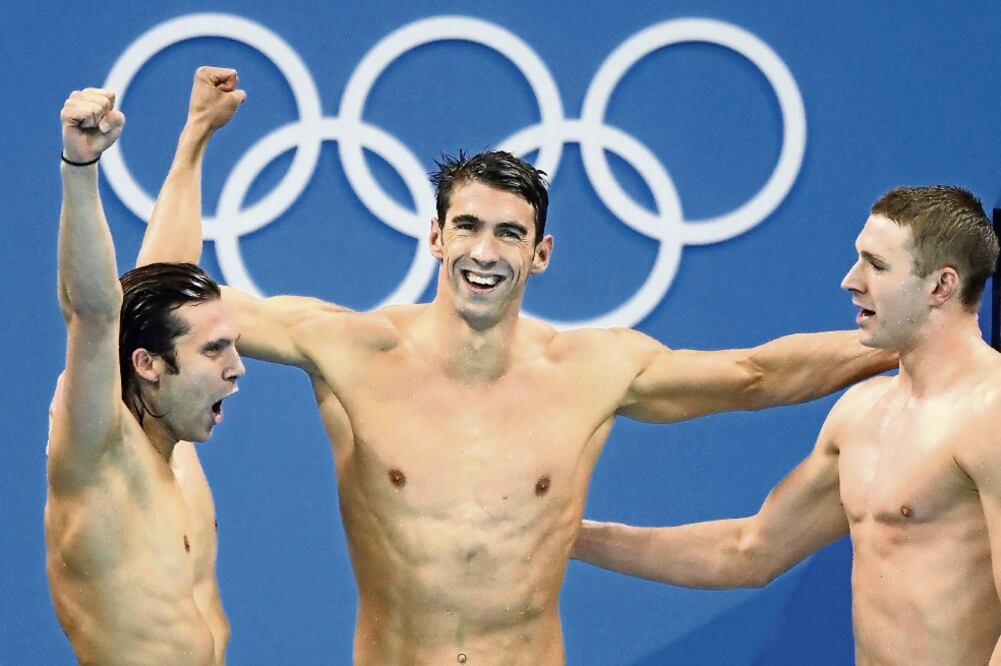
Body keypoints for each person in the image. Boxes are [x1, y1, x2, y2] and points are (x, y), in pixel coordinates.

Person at [142, 67, 895, 664]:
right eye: (467, 226)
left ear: (540, 254)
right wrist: (195, 140)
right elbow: (160, 297)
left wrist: (902, 343)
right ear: (435, 237)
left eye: (509, 234)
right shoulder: (351, 349)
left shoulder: (593, 369)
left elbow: (755, 376)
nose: (484, 251)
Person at [574, 186, 1001, 666]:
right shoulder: (861, 412)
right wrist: (569, 535)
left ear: (941, 286)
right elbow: (749, 551)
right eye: (858, 259)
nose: (851, 280)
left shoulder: (990, 412)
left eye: (877, 265)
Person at [45, 72, 245, 665]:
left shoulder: (173, 428)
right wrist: (80, 168)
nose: (237, 369)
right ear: (148, 365)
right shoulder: (98, 454)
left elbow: (165, 272)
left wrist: (197, 133)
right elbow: (94, 312)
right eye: (214, 351)